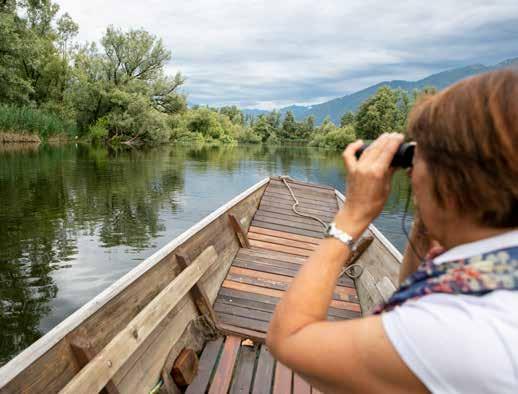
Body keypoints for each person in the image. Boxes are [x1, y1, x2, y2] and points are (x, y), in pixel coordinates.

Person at [266, 69, 518, 393]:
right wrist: (427, 214)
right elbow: (415, 289)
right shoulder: (495, 266)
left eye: (418, 156)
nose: (411, 172)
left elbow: (289, 339)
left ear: (454, 180)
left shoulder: (459, 328)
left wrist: (352, 216)